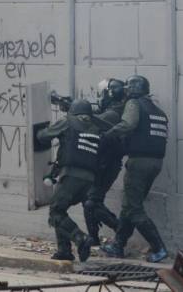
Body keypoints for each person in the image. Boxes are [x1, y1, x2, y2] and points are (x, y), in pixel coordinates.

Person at [100, 75, 169, 263]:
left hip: (139, 162)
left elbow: (128, 124)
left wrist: (107, 135)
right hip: (155, 163)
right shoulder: (159, 111)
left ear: (132, 90)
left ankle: (159, 248)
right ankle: (118, 246)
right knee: (129, 204)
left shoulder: (134, 103)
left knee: (134, 208)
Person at [36, 99, 109, 262]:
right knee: (61, 211)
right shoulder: (96, 127)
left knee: (55, 212)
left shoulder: (68, 121)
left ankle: (80, 238)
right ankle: (64, 251)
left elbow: (44, 136)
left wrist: (37, 130)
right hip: (89, 180)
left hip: (71, 176)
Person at [83, 78, 127, 245]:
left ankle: (120, 229)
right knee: (89, 199)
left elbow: (93, 125)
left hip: (106, 164)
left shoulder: (112, 114)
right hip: (105, 163)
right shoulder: (116, 110)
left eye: (102, 94)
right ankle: (93, 237)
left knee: (91, 202)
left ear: (109, 94)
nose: (100, 98)